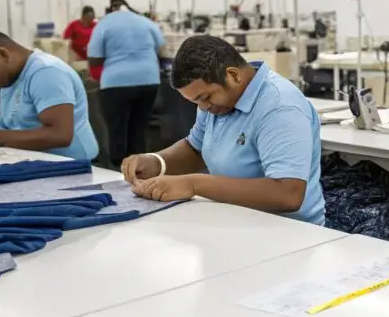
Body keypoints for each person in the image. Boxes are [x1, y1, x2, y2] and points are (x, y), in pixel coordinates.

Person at [120, 35, 325, 225]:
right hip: (234, 220)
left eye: (205, 98)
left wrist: (193, 184)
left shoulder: (280, 107)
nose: (202, 107)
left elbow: (287, 194)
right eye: (196, 101)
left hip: (290, 232)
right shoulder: (218, 104)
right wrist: (157, 162)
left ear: (233, 75)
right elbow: (195, 148)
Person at [0, 26, 98, 162]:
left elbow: (60, 135)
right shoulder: (9, 79)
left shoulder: (46, 72)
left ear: (3, 54)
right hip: (39, 162)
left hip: (73, 166)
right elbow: (4, 127)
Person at [87, 0, 165, 167]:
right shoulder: (145, 21)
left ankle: (118, 170)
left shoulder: (104, 24)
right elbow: (161, 47)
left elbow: (94, 59)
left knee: (116, 129)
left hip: (116, 83)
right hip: (148, 80)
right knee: (139, 128)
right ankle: (141, 170)